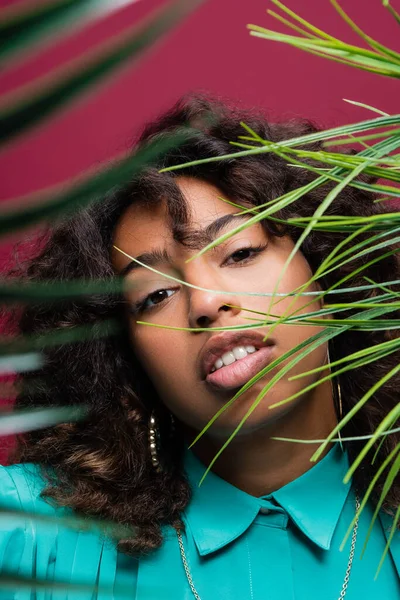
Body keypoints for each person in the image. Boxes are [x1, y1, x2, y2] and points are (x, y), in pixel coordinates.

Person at [0, 95, 399, 600]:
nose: (206, 302)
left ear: (326, 271)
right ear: (126, 359)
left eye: (240, 252)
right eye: (156, 294)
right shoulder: (28, 536)